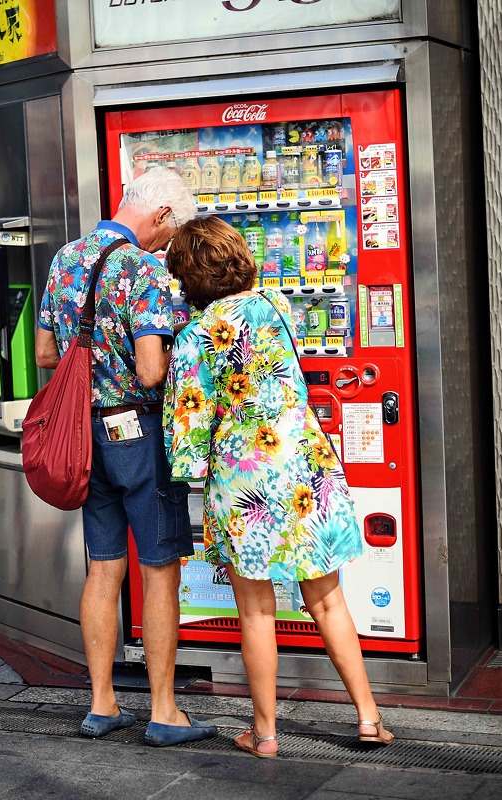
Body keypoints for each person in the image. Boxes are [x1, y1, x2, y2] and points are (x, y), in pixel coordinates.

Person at [163, 216, 394, 758]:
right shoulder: (275, 305)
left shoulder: (195, 339)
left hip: (246, 479)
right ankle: (367, 718)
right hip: (304, 464)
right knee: (328, 600)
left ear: (188, 278)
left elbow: (189, 440)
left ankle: (265, 734)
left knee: (256, 612)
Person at [34, 169, 217, 748]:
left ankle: (102, 704)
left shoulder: (67, 258)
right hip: (136, 434)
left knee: (103, 566)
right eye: (172, 231)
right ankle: (164, 711)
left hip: (83, 439)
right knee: (159, 568)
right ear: (161, 215)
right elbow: (150, 371)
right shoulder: (143, 269)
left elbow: (44, 353)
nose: (170, 243)